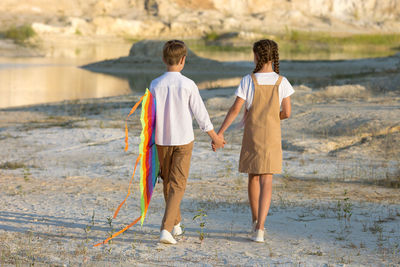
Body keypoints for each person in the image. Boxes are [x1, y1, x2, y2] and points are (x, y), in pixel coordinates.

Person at [214, 39, 294, 243]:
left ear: (256, 56)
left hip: (252, 134)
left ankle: (254, 219)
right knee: (268, 179)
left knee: (253, 177)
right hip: (272, 135)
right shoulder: (282, 81)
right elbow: (287, 112)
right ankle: (260, 228)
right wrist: (273, 117)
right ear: (274, 57)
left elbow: (235, 110)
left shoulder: (248, 80)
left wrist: (220, 132)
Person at [150, 40, 225, 244]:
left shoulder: (155, 84)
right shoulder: (188, 84)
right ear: (183, 60)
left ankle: (176, 224)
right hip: (183, 140)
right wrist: (215, 137)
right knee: (178, 184)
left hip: (161, 141)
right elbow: (201, 115)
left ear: (164, 59)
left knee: (168, 182)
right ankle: (166, 229)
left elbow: (150, 117)